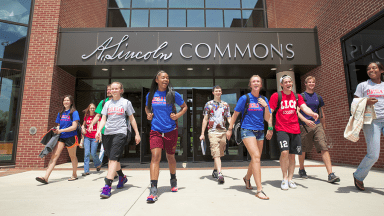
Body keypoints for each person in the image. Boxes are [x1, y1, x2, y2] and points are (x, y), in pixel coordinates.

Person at [267, 75, 319, 190]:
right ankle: (284, 178)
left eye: (290, 82)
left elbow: (304, 107)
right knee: (284, 152)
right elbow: (270, 111)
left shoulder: (297, 97)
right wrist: (269, 127)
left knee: (292, 155)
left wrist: (312, 114)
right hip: (281, 129)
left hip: (295, 129)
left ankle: (290, 179)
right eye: (285, 82)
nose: (288, 84)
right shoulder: (277, 96)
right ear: (282, 84)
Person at [145, 70, 188, 203]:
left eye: (167, 78)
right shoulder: (151, 95)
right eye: (163, 77)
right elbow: (147, 108)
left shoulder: (173, 94)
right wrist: (148, 114)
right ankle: (153, 189)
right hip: (156, 130)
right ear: (156, 80)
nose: (166, 80)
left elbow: (184, 107)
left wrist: (177, 115)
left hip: (170, 130)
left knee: (170, 157)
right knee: (155, 157)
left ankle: (173, 179)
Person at [227, 75, 271, 200]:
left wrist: (265, 106)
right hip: (247, 130)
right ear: (250, 85)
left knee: (255, 158)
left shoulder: (264, 99)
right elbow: (235, 115)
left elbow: (267, 118)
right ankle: (259, 190)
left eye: (258, 81)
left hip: (260, 131)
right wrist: (230, 129)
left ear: (261, 85)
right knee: (256, 157)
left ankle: (247, 178)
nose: (256, 83)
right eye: (253, 81)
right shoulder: (245, 98)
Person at [96, 82, 141, 198]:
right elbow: (103, 119)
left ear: (121, 90)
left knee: (113, 159)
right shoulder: (107, 104)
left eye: (116, 88)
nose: (114, 90)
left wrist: (137, 133)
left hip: (120, 132)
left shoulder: (126, 103)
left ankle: (107, 186)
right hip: (107, 133)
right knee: (113, 158)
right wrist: (98, 131)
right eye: (112, 89)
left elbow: (132, 119)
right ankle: (122, 176)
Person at [297, 76, 340, 183]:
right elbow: (296, 112)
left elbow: (321, 113)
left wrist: (324, 127)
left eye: (313, 82)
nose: (311, 84)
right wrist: (306, 121)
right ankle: (301, 169)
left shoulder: (318, 97)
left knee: (323, 146)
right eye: (309, 82)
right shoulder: (301, 96)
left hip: (317, 125)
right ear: (306, 84)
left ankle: (330, 174)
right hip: (304, 125)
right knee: (303, 149)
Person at [353, 61, 384, 191]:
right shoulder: (363, 85)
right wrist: (366, 101)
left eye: (374, 68)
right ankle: (358, 175)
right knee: (373, 154)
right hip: (372, 121)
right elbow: (354, 102)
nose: (370, 70)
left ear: (381, 70)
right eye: (368, 68)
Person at [36, 95, 80, 184]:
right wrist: (56, 129)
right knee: (54, 156)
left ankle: (74, 174)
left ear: (71, 102)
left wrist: (61, 130)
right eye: (64, 100)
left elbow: (74, 127)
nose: (66, 102)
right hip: (61, 137)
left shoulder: (74, 112)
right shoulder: (60, 113)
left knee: (72, 157)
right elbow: (59, 125)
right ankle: (46, 177)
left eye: (68, 100)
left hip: (71, 137)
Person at [200, 85, 231, 184]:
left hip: (223, 131)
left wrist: (232, 126)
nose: (218, 92)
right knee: (215, 151)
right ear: (213, 93)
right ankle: (220, 174)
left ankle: (214, 170)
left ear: (221, 92)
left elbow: (229, 117)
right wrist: (202, 134)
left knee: (220, 151)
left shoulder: (225, 105)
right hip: (212, 131)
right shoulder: (208, 104)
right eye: (216, 91)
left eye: (220, 91)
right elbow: (205, 119)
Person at [89, 84, 112, 166]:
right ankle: (113, 171)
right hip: (105, 131)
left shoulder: (120, 101)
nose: (108, 91)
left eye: (110, 89)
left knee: (114, 152)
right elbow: (98, 115)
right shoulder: (102, 102)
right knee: (109, 151)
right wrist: (92, 124)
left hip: (117, 130)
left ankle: (113, 172)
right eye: (107, 90)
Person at [81, 103, 102, 176]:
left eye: (93, 108)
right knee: (86, 153)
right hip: (87, 137)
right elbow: (83, 125)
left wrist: (99, 135)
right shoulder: (86, 116)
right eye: (91, 108)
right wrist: (83, 128)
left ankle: (98, 163)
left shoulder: (97, 116)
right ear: (89, 109)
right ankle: (86, 171)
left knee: (93, 153)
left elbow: (99, 125)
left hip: (94, 137)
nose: (92, 109)